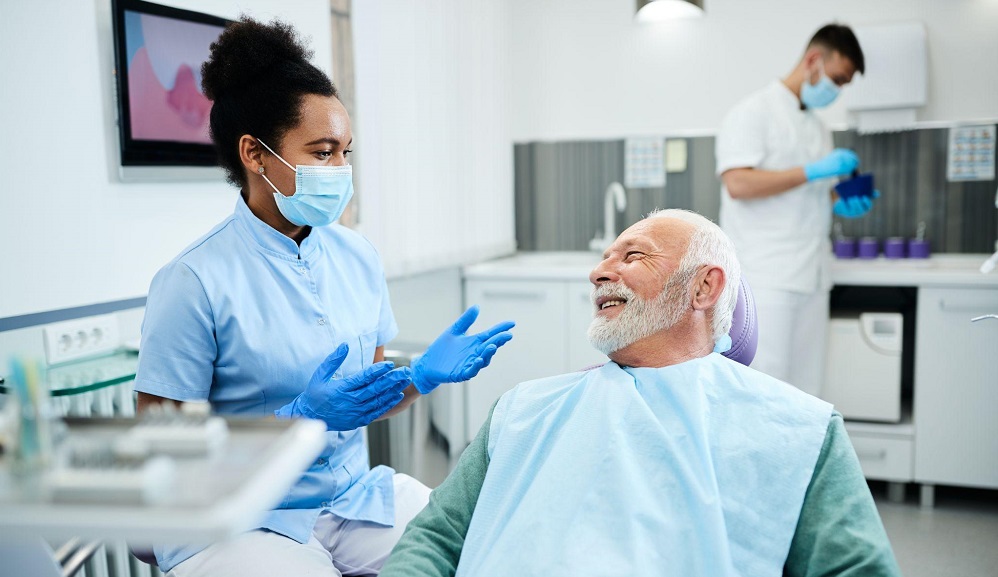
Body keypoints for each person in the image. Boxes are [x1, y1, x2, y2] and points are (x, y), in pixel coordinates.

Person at [132, 17, 514, 577]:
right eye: (322, 152)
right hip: (241, 518)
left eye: (345, 152)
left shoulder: (356, 257)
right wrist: (298, 418)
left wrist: (420, 377)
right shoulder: (193, 281)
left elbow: (364, 396)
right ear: (255, 155)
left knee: (486, 545)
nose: (341, 170)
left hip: (351, 500)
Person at [379, 209, 901, 577]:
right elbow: (436, 538)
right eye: (606, 257)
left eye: (634, 255)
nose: (599, 271)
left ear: (703, 287)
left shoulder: (798, 428)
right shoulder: (524, 409)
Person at [716, 23, 874, 396]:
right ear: (814, 60)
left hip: (812, 276)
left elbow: (807, 194)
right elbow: (738, 184)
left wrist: (841, 200)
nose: (837, 90)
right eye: (837, 79)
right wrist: (812, 171)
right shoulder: (752, 112)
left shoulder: (819, 128)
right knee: (765, 390)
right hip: (767, 276)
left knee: (806, 393)